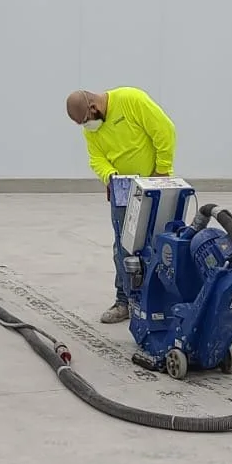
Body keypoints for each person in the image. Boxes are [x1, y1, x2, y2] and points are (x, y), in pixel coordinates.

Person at [66, 87, 177, 323]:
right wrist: (111, 176)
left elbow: (164, 130)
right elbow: (96, 158)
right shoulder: (91, 130)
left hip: (155, 183)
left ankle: (164, 301)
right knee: (124, 248)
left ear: (94, 107)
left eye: (87, 121)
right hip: (123, 190)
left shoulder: (130, 100)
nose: (87, 127)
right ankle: (125, 301)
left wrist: (162, 170)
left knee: (162, 244)